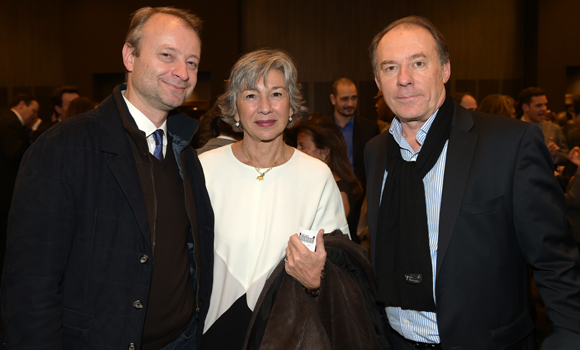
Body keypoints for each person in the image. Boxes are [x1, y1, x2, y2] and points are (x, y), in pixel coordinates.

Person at [1, 7, 214, 350]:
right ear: (130, 56)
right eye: (167, 55)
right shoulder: (64, 148)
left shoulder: (185, 152)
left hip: (181, 341)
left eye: (192, 62)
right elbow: (30, 285)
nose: (182, 72)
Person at [366, 15, 580, 349]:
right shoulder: (376, 151)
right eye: (390, 68)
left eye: (418, 63)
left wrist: (568, 337)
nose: (404, 79)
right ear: (378, 81)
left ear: (445, 70)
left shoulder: (509, 143)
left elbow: (555, 259)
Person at [199, 49, 349, 349]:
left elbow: (340, 268)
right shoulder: (204, 168)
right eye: (251, 95)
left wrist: (316, 277)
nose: (265, 107)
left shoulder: (316, 176)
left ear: (291, 104)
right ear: (235, 108)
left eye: (276, 94)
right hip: (212, 331)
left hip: (289, 332)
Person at [296, 118, 363, 229]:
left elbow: (327, 236)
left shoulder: (339, 193)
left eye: (303, 147)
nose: (297, 151)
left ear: (324, 151)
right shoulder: (315, 183)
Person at [0, 94, 39, 283]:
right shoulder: (8, 121)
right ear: (21, 105)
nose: (34, 116)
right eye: (33, 111)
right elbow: (14, 153)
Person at [519, 86, 569, 165]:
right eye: (539, 105)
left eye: (545, 104)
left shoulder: (554, 128)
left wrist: (555, 156)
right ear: (525, 107)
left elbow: (566, 156)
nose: (544, 108)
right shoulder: (514, 129)